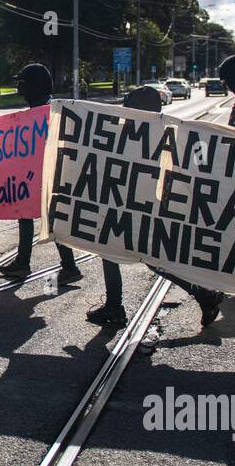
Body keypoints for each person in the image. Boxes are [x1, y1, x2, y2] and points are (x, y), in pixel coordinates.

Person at [85, 85, 225, 328]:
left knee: (125, 254)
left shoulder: (135, 132)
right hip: (138, 204)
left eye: (129, 107)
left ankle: (116, 306)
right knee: (133, 256)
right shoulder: (159, 132)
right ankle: (203, 295)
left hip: (134, 205)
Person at [0, 63, 83, 283]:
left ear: (34, 87)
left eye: (22, 83)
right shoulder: (38, 112)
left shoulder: (51, 111)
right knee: (28, 214)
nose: (19, 87)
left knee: (50, 219)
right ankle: (27, 263)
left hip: (51, 177)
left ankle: (65, 267)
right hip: (37, 176)